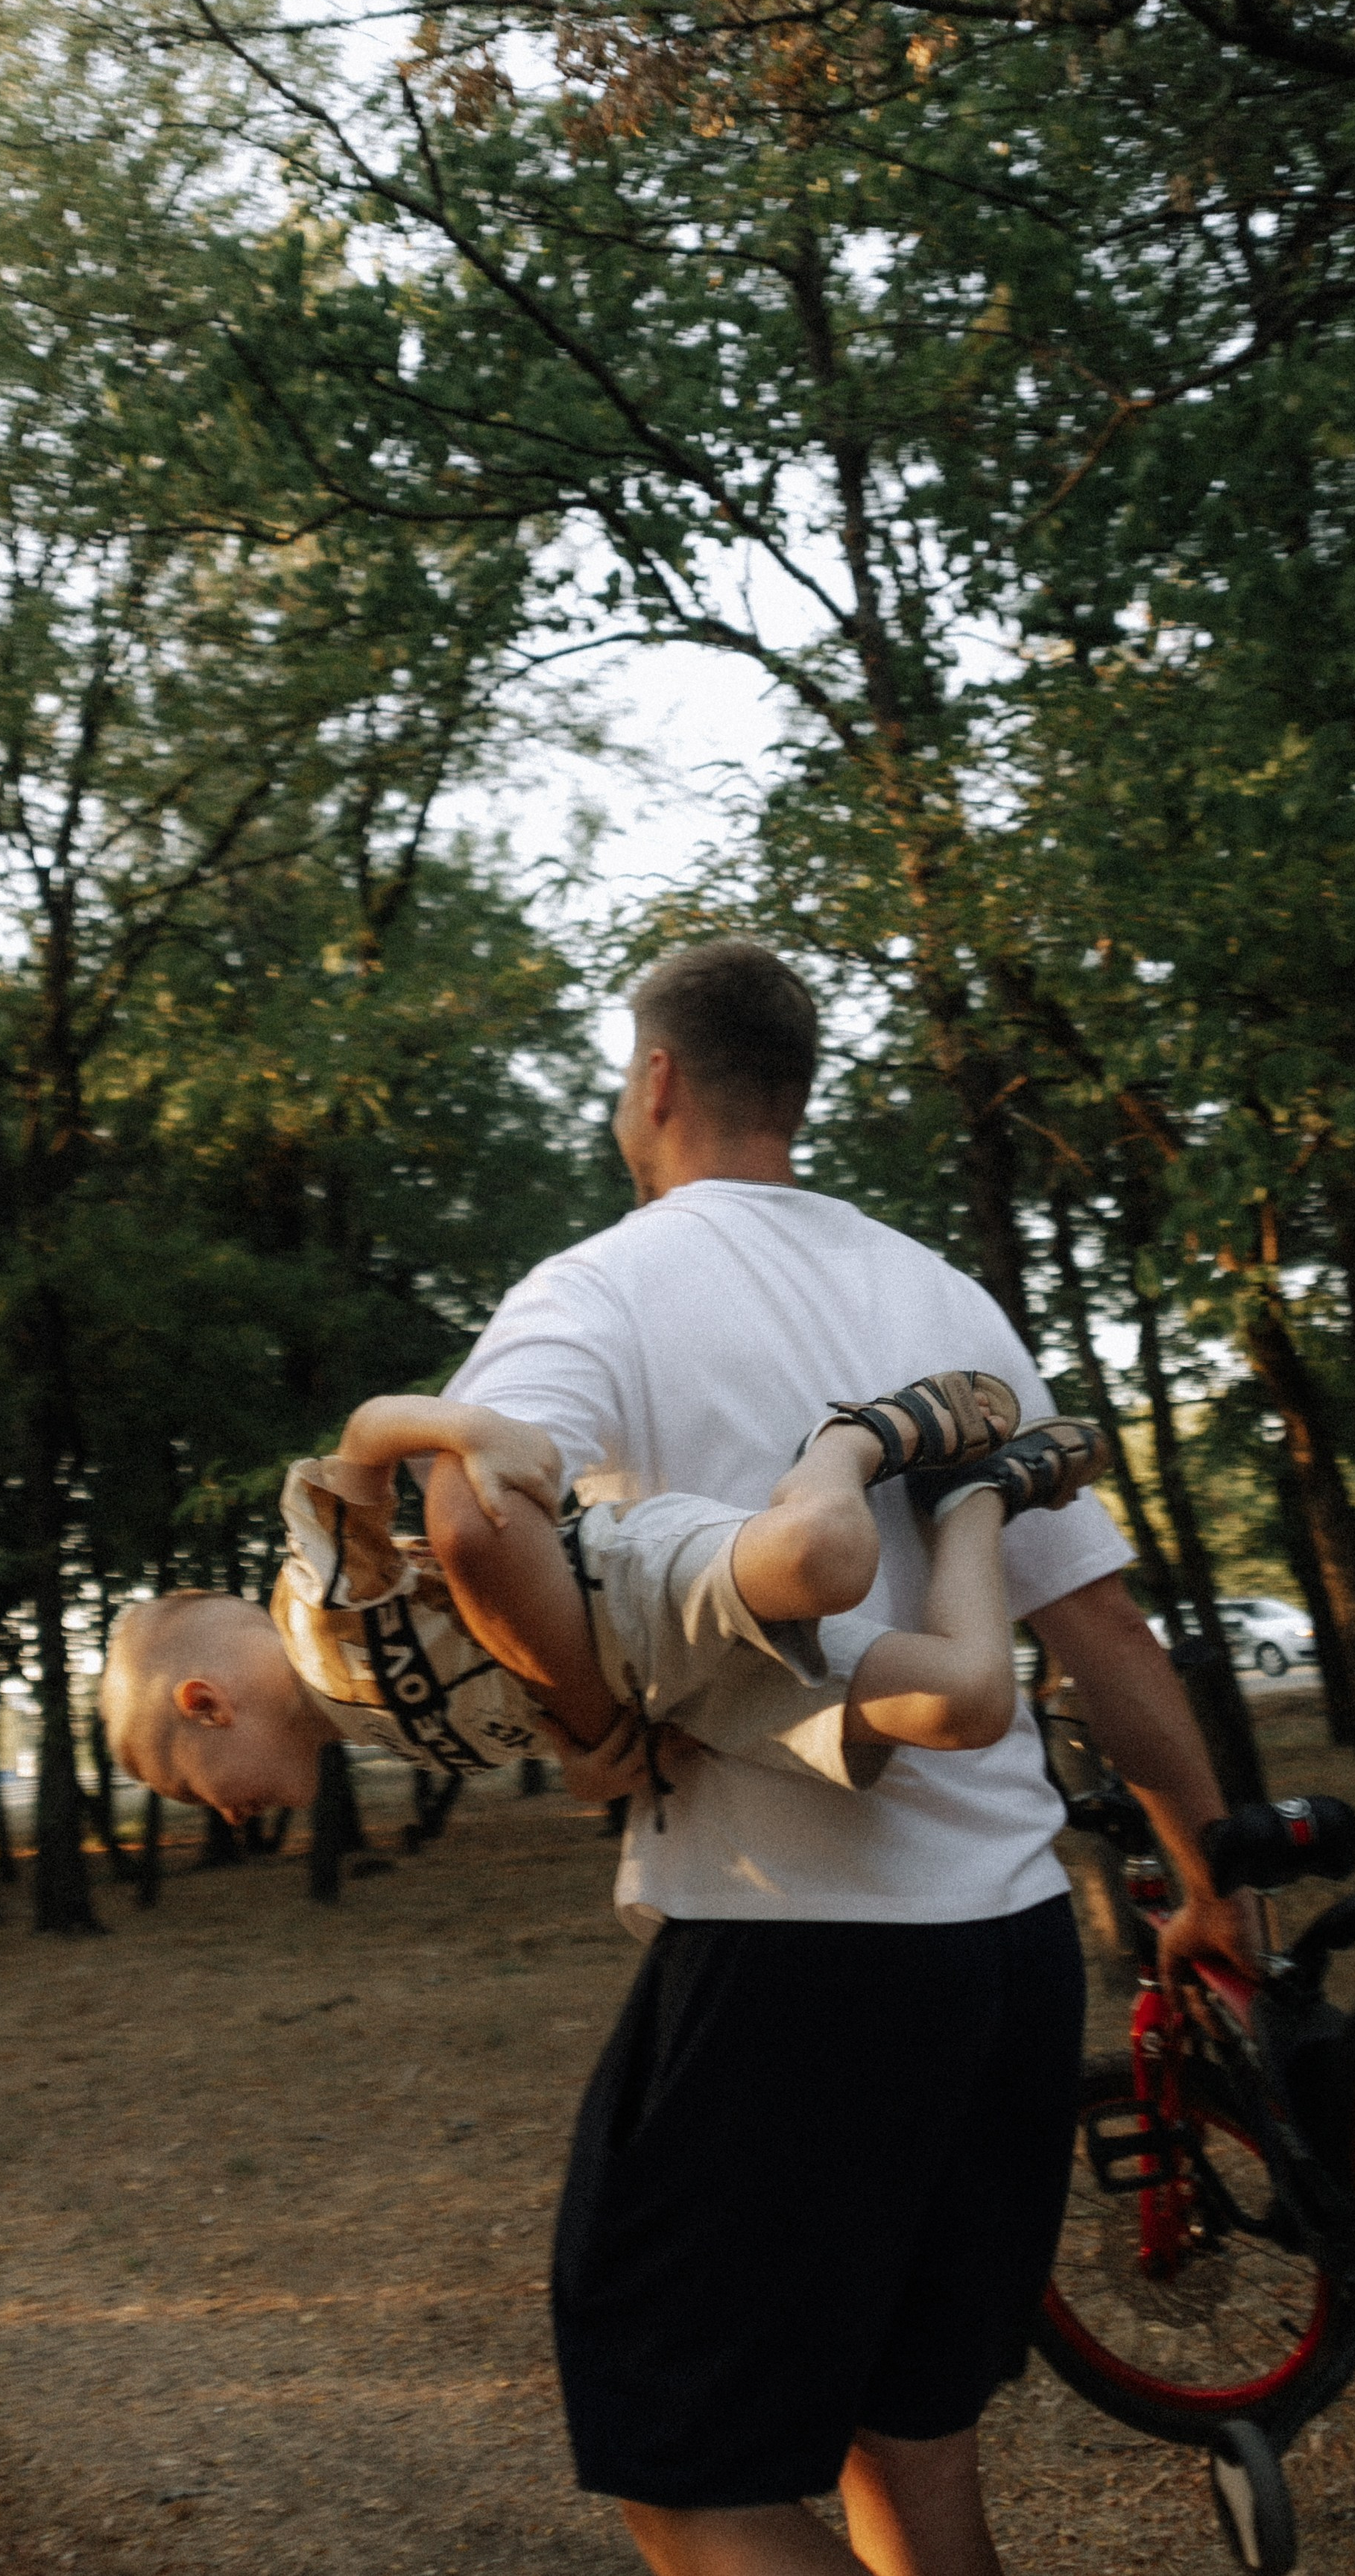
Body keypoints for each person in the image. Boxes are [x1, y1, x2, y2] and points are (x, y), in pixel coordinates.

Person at [420, 937, 1256, 2576]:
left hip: (789, 1956)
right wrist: (1209, 1870)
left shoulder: (599, 1285)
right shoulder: (942, 1297)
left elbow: (463, 1507)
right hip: (1005, 1960)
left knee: (692, 2473)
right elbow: (1101, 1636)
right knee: (905, 2425)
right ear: (792, 1088)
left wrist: (591, 1718)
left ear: (653, 1078)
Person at [98, 1379, 1112, 1822]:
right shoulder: (374, 1732)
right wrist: (584, 1769)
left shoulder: (315, 1615)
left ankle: (847, 1442)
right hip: (687, 1697)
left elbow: (364, 1438)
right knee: (970, 1703)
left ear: (205, 1701)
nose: (226, 1816)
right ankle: (976, 1497)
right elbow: (530, 1704)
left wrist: (466, 1429)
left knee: (829, 1555)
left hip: (624, 1593)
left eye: (199, 1791)